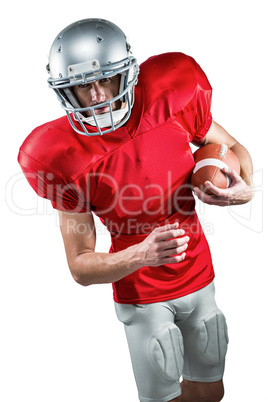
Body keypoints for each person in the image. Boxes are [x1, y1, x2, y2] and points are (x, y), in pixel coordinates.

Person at [18, 18, 254, 402]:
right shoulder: (58, 157)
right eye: (82, 85)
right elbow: (79, 266)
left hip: (199, 272)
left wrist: (246, 191)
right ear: (65, 91)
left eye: (105, 79)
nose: (96, 96)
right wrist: (141, 253)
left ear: (127, 72)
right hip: (142, 295)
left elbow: (235, 150)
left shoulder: (172, 98)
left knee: (212, 392)